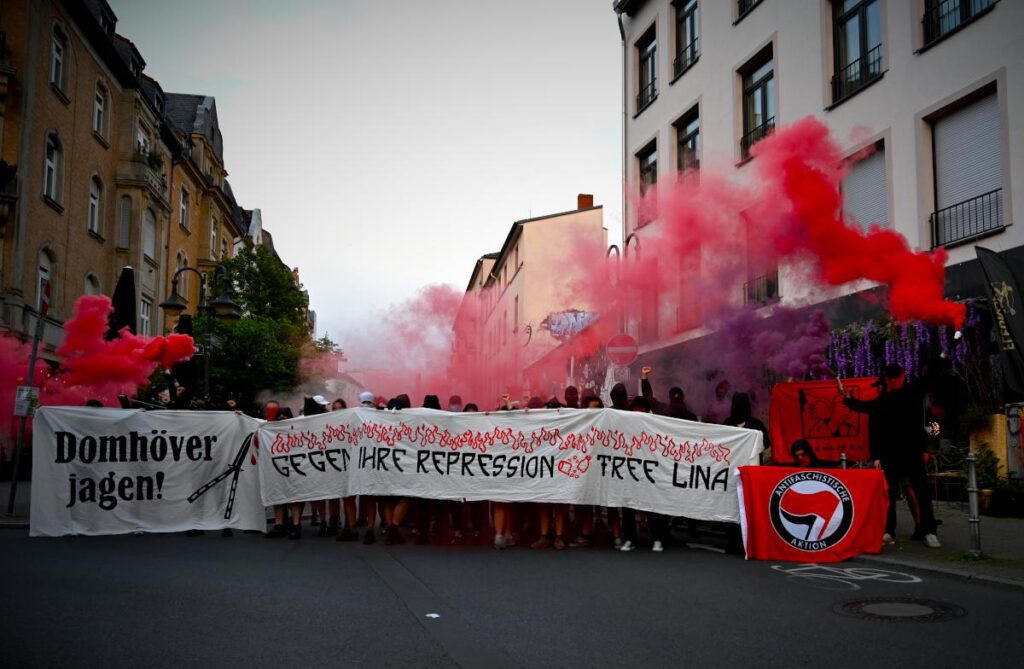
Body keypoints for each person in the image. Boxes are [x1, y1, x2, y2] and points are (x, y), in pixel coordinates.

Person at [843, 363, 941, 548]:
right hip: (892, 454)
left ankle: (928, 530)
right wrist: (877, 455)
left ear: (899, 377)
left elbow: (929, 383)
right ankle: (890, 530)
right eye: (890, 378)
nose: (892, 381)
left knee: (920, 492)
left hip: (912, 452)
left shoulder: (912, 392)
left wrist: (927, 449)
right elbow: (871, 419)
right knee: (890, 494)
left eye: (894, 378)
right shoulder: (883, 400)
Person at [620, 396, 668, 553]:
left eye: (642, 407)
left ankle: (658, 539)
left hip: (649, 472)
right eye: (636, 407)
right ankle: (628, 539)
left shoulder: (654, 424)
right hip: (631, 472)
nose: (639, 411)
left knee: (651, 507)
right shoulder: (625, 424)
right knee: (628, 508)